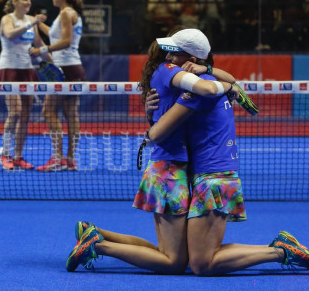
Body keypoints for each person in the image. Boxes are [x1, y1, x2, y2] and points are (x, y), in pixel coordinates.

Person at [65, 29, 237, 273]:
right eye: (169, 49)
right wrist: (230, 86)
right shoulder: (176, 75)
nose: (169, 54)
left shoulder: (177, 76)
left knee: (166, 252)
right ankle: (98, 246)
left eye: (175, 51)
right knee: (174, 262)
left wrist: (217, 78)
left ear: (193, 59)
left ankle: (95, 234)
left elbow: (210, 86)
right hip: (169, 171)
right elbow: (163, 127)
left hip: (171, 168)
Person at [143, 43, 309, 276]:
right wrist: (151, 112)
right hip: (206, 173)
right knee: (190, 256)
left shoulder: (201, 90)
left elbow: (160, 132)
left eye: (175, 54)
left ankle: (281, 252)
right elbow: (225, 82)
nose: (167, 59)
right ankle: (280, 249)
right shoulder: (209, 84)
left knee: (200, 263)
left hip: (214, 177)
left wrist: (150, 131)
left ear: (192, 59)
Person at [31, 0, 85, 172]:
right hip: (74, 68)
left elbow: (66, 42)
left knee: (47, 111)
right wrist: (37, 24)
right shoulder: (69, 13)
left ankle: (58, 158)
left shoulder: (65, 13)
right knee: (71, 114)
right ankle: (69, 160)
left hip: (64, 70)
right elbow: (56, 36)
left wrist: (41, 50)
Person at [0, 0, 48, 171]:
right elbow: (9, 34)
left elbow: (39, 45)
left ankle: (17, 156)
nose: (28, 2)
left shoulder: (31, 22)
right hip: (8, 68)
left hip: (27, 70)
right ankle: (5, 154)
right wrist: (31, 23)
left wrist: (56, 63)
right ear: (15, 2)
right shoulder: (7, 19)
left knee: (25, 114)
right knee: (15, 111)